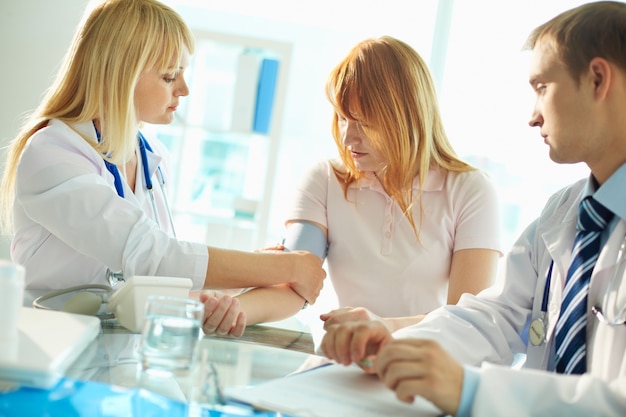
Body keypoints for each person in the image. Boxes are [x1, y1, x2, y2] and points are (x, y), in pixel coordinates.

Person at [320, 2, 626, 416]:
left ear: (597, 79)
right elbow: (493, 316)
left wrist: (472, 391)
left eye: (542, 88)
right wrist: (394, 342)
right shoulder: (564, 215)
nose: (532, 117)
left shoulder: (472, 189)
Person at [0, 0, 325, 314]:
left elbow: (154, 278)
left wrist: (246, 274)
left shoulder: (152, 156)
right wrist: (284, 267)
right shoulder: (52, 153)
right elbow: (152, 255)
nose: (183, 89)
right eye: (170, 76)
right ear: (121, 74)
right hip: (49, 342)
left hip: (117, 344)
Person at [198, 36, 503, 337]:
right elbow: (295, 284)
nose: (347, 138)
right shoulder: (325, 179)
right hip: (346, 361)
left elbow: (467, 320)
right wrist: (234, 309)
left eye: (363, 123)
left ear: (406, 117)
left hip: (426, 367)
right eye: (343, 119)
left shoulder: (471, 191)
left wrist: (383, 327)